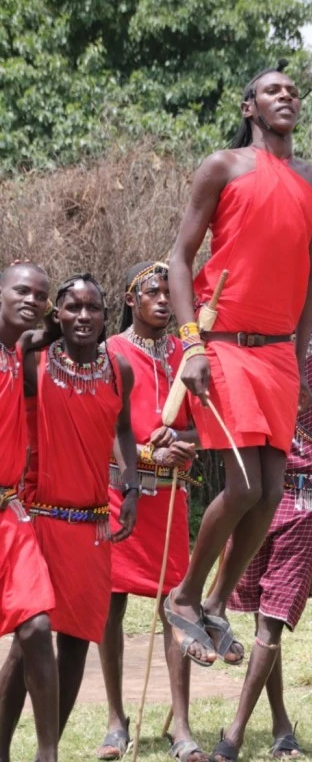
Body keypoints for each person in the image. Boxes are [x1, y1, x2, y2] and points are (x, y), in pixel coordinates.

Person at [165, 59, 312, 667]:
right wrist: (191, 344)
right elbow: (179, 260)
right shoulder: (222, 167)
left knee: (272, 491)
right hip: (225, 345)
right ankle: (184, 598)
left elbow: (309, 279)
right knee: (244, 485)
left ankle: (214, 603)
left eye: (292, 90)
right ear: (249, 106)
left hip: (280, 355)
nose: (286, 96)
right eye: (272, 90)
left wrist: (300, 360)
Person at [0, 274, 139, 752]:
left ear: (106, 315)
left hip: (92, 523)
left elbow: (124, 428)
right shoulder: (33, 362)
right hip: (37, 518)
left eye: (93, 307)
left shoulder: (118, 369)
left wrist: (132, 486)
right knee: (28, 640)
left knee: (78, 641)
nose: (83, 315)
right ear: (56, 314)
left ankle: (49, 750)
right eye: (72, 306)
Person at [211, 326, 312, 762]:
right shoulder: (255, 341)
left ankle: (234, 734)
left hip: (307, 496)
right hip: (256, 493)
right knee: (260, 616)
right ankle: (281, 725)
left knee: (272, 620)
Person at [96, 262, 199, 762]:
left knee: (176, 607)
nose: (162, 300)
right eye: (152, 292)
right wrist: (144, 454)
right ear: (130, 299)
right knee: (109, 606)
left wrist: (180, 439)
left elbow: (206, 429)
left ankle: (181, 725)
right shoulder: (109, 353)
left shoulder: (187, 356)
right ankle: (116, 721)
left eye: (167, 293)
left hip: (171, 498)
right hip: (119, 494)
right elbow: (97, 429)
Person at [0, 262, 58, 762]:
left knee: (37, 626)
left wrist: (56, 316)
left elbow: (47, 333)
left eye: (41, 294)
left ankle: (47, 753)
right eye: (21, 290)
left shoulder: (17, 350)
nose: (32, 300)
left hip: (10, 511)